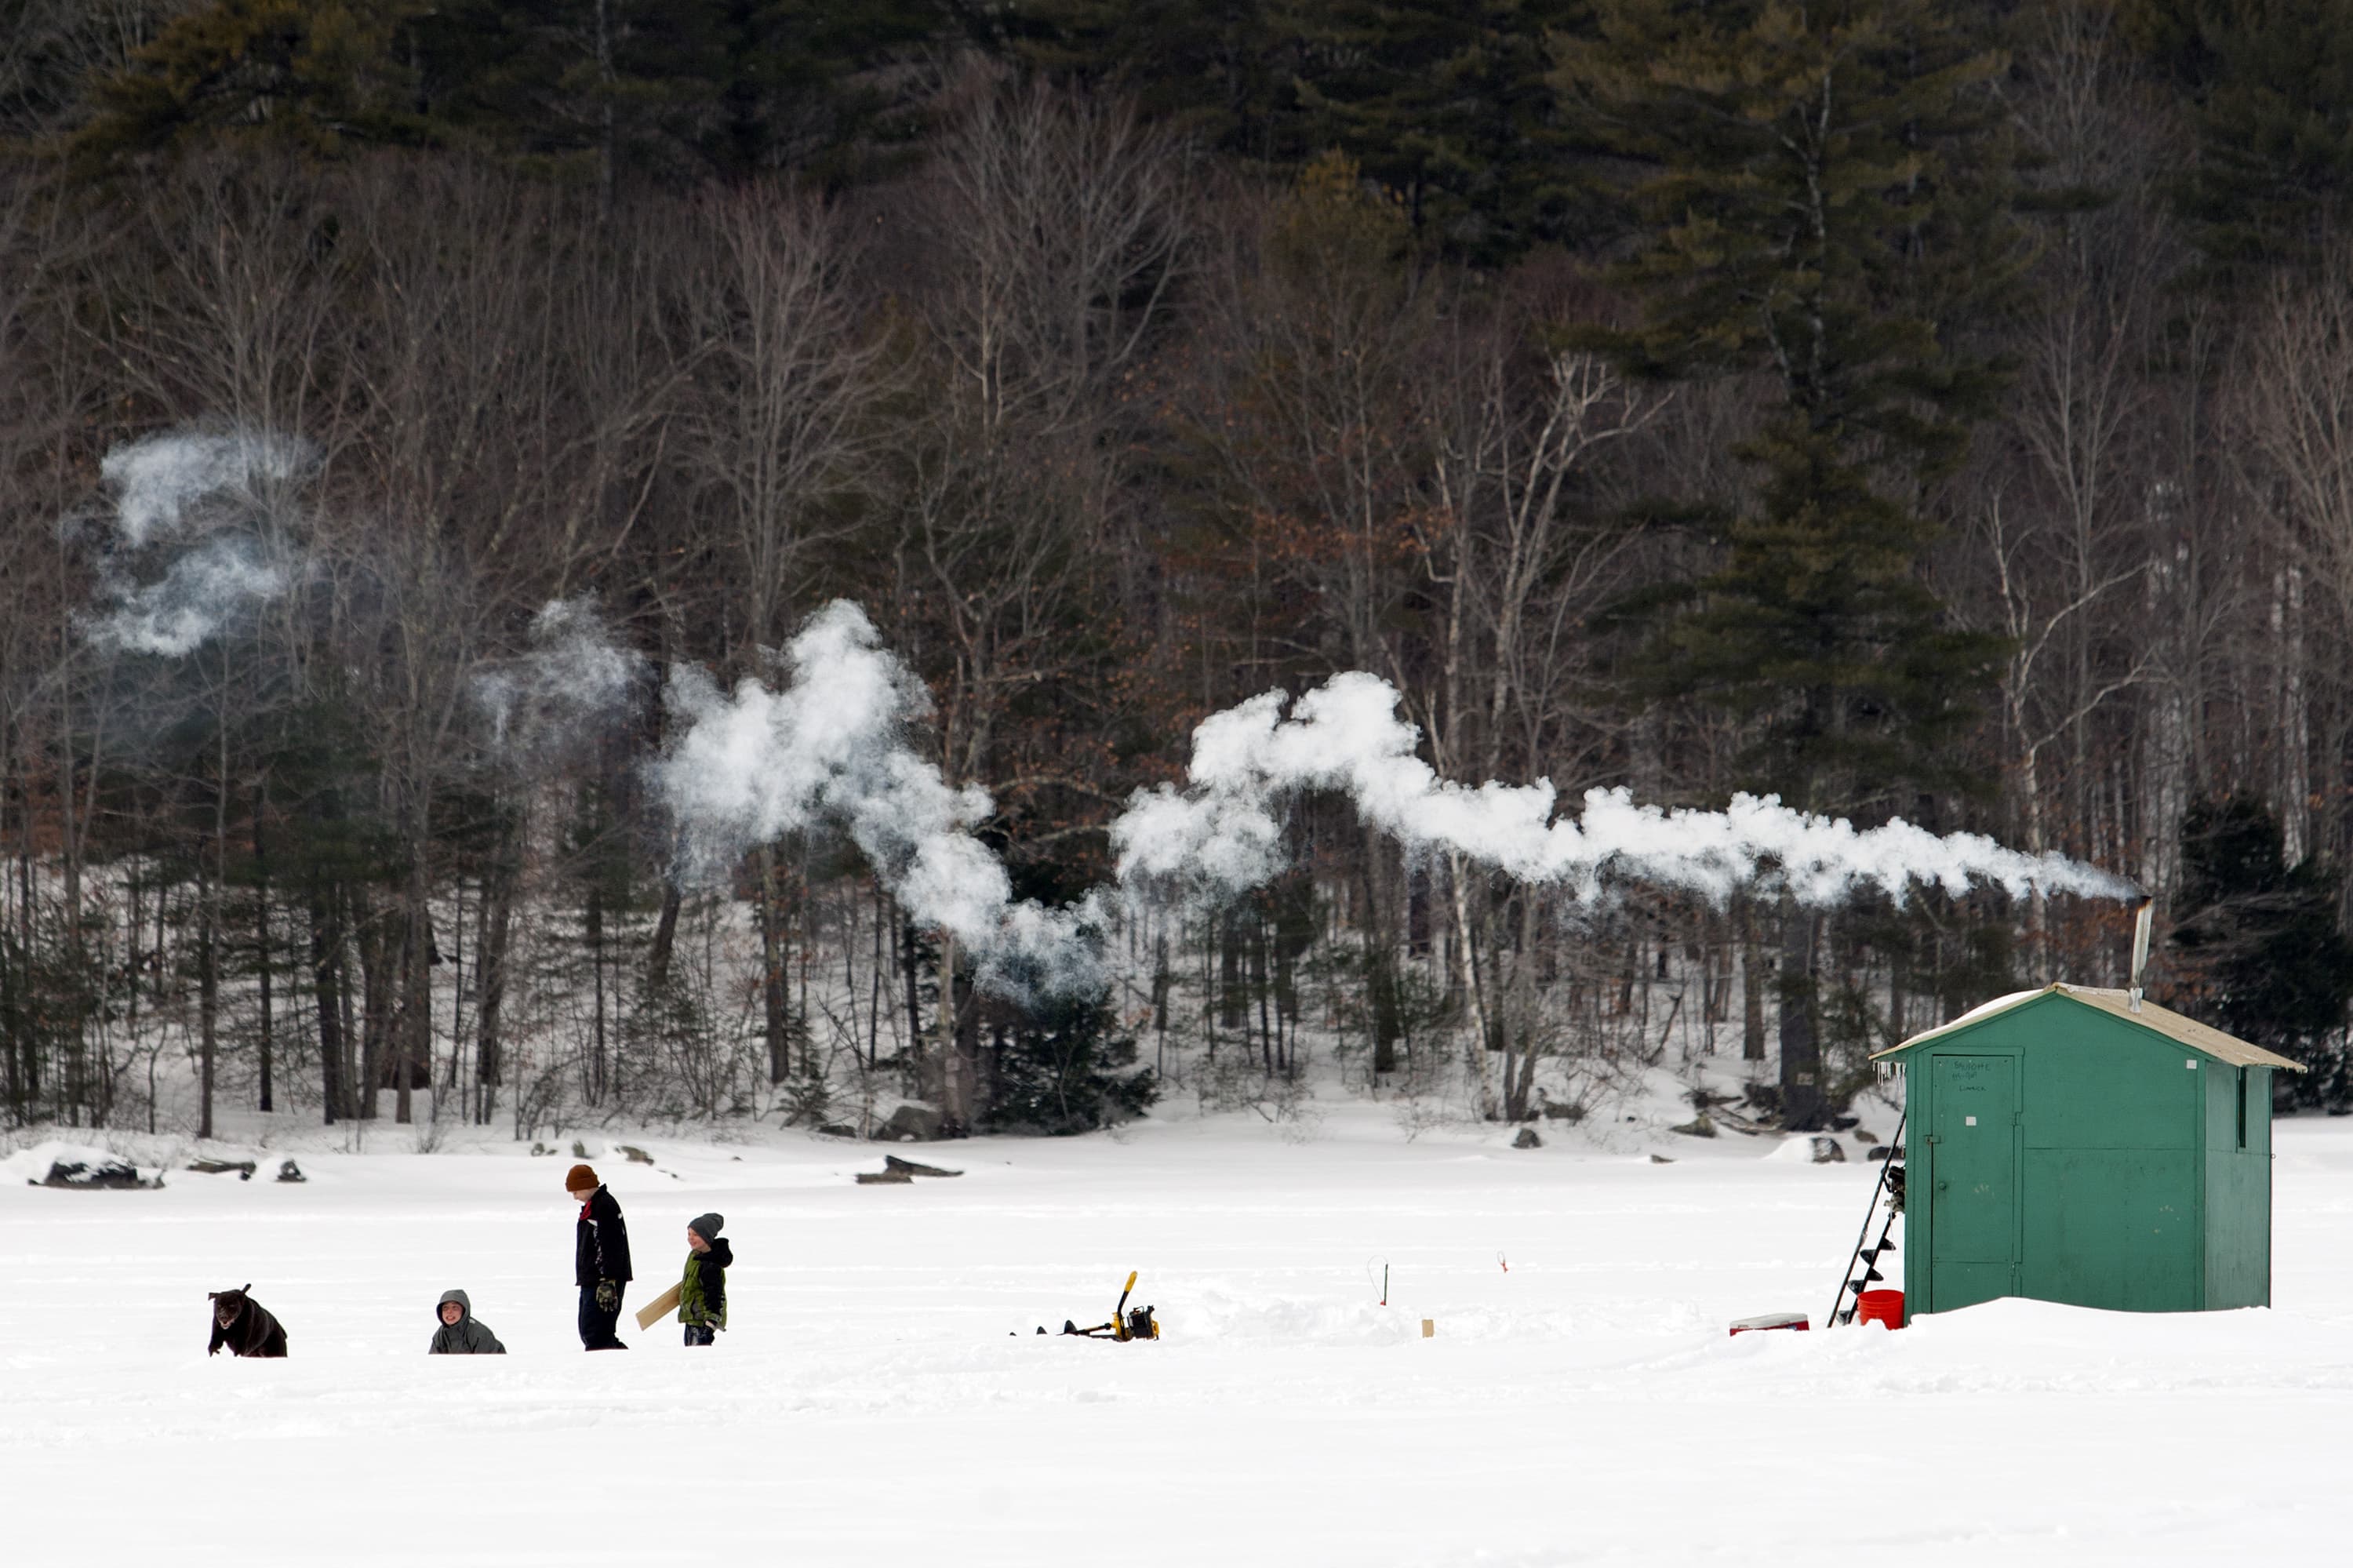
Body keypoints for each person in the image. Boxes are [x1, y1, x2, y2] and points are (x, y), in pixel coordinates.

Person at [567, 1163, 632, 1351]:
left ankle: (609, 1361)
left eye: (576, 1191)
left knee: (596, 1332)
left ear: (586, 1186)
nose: (574, 1197)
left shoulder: (604, 1206)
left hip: (602, 1281)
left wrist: (608, 1280)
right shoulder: (594, 1206)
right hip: (592, 1278)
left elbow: (611, 1244)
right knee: (590, 1330)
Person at [678, 1212, 732, 1348]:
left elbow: (715, 1297)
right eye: (689, 1234)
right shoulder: (695, 1256)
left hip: (702, 1322)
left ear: (707, 1237)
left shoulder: (710, 1266)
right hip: (692, 1319)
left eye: (695, 1235)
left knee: (697, 1355)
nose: (690, 1238)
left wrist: (710, 1326)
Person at [427, 1288, 506, 1355]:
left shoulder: (479, 1333)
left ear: (464, 1311)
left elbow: (484, 1365)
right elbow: (433, 1363)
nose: (449, 1312)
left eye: (455, 1308)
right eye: (445, 1308)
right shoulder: (440, 1335)